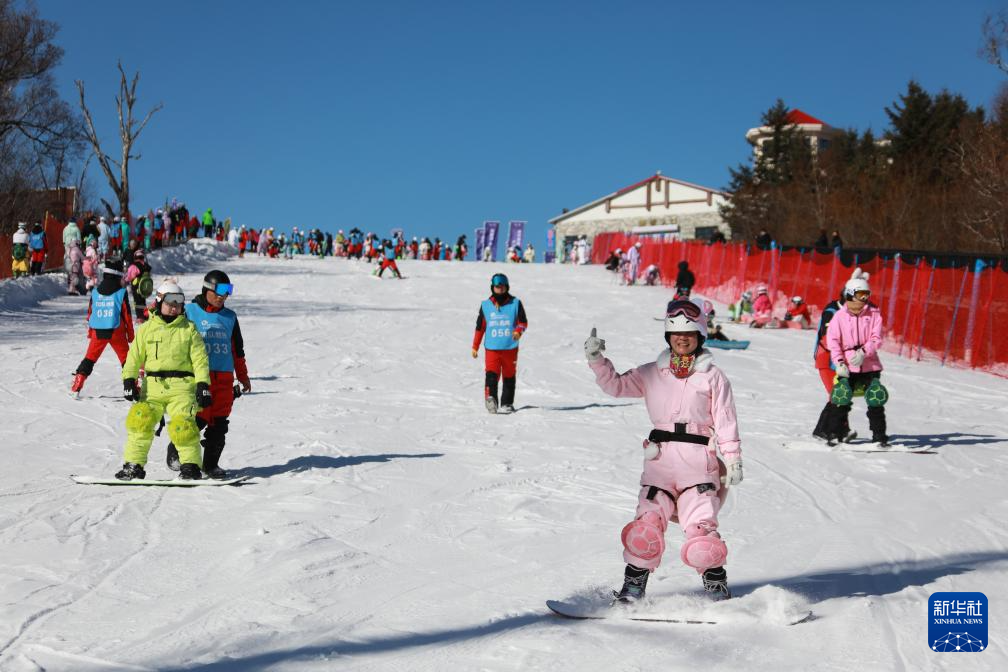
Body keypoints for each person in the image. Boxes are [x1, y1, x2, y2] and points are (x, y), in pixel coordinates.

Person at [584, 298, 743, 602]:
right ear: (668, 337)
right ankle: (633, 588)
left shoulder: (712, 376)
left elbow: (725, 419)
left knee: (700, 529)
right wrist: (597, 360)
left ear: (700, 337)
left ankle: (717, 589)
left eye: (689, 334)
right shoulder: (651, 372)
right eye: (675, 334)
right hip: (660, 460)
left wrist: (733, 459)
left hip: (698, 461)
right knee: (646, 524)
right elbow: (616, 386)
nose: (682, 340)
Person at [115, 279, 212, 480]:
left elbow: (200, 360)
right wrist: (129, 380)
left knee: (183, 425)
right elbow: (133, 357)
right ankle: (134, 465)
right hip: (153, 386)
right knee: (140, 420)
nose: (174, 307)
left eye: (178, 303)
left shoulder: (189, 330)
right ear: (159, 302)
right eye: (170, 302)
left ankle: (191, 466)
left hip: (182, 387)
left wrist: (203, 384)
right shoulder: (146, 329)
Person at [165, 270, 251, 479]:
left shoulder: (229, 317)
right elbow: (171, 333)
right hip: (197, 378)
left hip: (223, 380)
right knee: (196, 420)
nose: (224, 295)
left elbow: (237, 350)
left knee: (219, 424)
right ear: (208, 288)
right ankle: (176, 451)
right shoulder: (190, 311)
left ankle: (210, 465)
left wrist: (243, 376)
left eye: (228, 291)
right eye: (221, 290)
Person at [823, 268, 889, 447]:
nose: (864, 299)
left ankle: (879, 436)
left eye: (866, 295)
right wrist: (839, 363)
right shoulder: (839, 317)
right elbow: (833, 341)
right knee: (841, 397)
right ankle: (835, 434)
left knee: (876, 397)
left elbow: (877, 339)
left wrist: (863, 353)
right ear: (850, 294)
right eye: (860, 294)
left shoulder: (874, 315)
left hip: (869, 365)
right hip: (847, 365)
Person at [70, 259, 134, 398]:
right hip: (116, 330)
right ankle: (130, 389)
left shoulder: (95, 293)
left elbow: (90, 314)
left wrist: (90, 332)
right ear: (118, 276)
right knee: (127, 360)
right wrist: (131, 335)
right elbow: (127, 315)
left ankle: (78, 382)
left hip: (98, 331)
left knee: (90, 358)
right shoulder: (121, 293)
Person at [471, 273, 528, 414]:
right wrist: (475, 346)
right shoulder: (486, 305)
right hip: (492, 348)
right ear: (492, 287)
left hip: (510, 348)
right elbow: (480, 327)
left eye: (503, 286)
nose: (500, 289)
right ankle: (491, 400)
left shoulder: (515, 303)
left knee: (509, 375)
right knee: (491, 374)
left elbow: (523, 322)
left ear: (507, 287)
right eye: (497, 287)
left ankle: (507, 403)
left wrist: (518, 331)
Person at [811, 290, 853, 442]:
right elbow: (828, 338)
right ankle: (827, 430)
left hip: (840, 362)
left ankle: (836, 429)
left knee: (841, 395)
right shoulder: (832, 312)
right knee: (838, 394)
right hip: (826, 360)